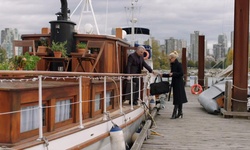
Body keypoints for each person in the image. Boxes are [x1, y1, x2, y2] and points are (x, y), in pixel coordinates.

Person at [160, 51, 187, 119]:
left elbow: (181, 73)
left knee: (177, 98)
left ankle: (174, 113)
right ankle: (180, 112)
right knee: (178, 98)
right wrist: (162, 75)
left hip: (179, 83)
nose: (170, 60)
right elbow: (170, 74)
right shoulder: (173, 65)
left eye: (170, 59)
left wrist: (173, 74)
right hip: (175, 83)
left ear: (174, 58)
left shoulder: (179, 64)